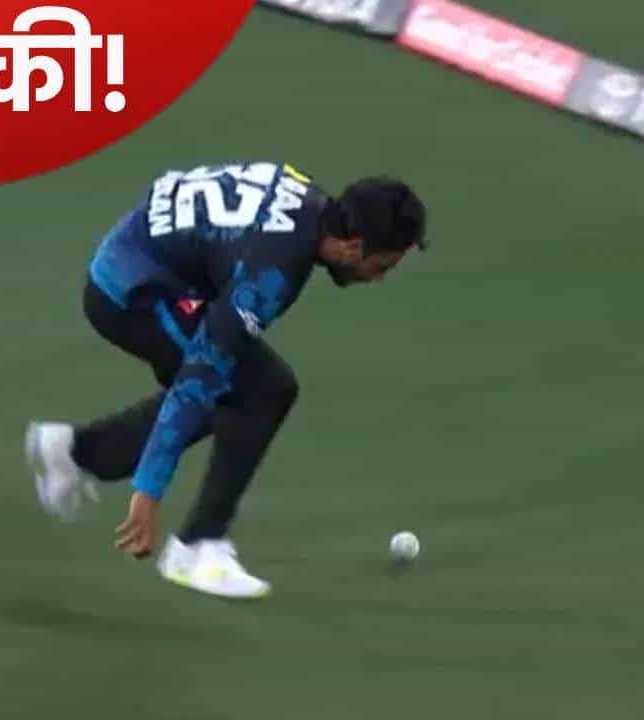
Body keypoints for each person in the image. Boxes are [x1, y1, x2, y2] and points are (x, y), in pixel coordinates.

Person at [25, 161, 428, 599]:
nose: (379, 278)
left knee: (238, 389)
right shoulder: (272, 271)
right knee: (260, 390)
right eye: (382, 266)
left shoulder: (308, 202)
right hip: (132, 296)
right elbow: (199, 378)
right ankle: (197, 547)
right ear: (353, 246)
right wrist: (148, 491)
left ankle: (75, 451)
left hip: (141, 259)